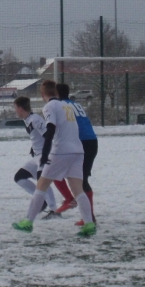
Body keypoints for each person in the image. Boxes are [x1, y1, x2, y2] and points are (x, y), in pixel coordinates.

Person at [12, 80, 96, 236]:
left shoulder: (49, 106)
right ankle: (89, 224)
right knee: (78, 190)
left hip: (61, 151)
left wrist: (44, 156)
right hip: (78, 150)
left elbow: (50, 130)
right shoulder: (67, 105)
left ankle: (28, 222)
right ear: (56, 92)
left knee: (41, 185)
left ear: (43, 94)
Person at [12, 96, 61, 219]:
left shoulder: (35, 119)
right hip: (37, 157)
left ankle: (54, 210)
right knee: (19, 177)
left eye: (15, 108)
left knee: (42, 182)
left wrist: (47, 155)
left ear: (21, 108)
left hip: (45, 156)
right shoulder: (27, 119)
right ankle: (42, 201)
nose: (15, 111)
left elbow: (48, 135)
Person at [56, 83, 97, 226]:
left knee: (78, 180)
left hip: (82, 142)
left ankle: (88, 217)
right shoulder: (74, 103)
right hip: (90, 141)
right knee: (80, 179)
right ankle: (88, 216)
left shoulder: (61, 106)